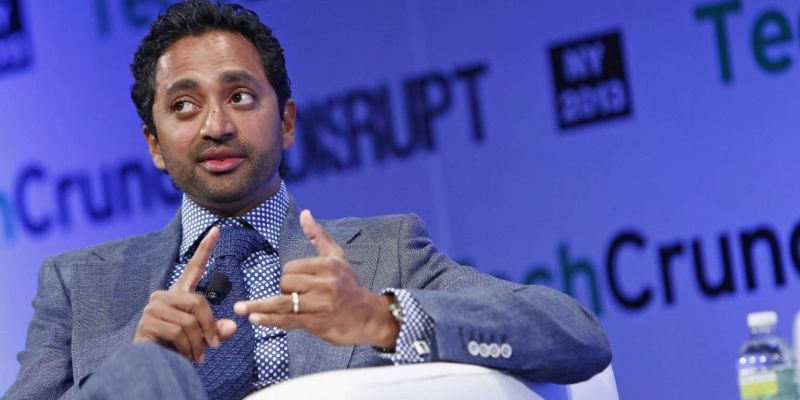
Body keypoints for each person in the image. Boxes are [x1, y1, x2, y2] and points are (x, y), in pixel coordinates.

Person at [3, 1, 611, 399]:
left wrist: (382, 319)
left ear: (287, 122)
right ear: (155, 145)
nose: (216, 126)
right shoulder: (79, 284)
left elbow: (574, 334)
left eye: (240, 96)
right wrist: (134, 372)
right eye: (184, 106)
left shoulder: (383, 253)